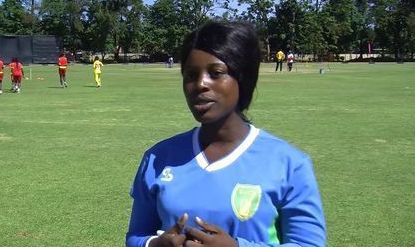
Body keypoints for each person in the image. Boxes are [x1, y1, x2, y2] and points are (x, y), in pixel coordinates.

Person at [126, 21, 326, 247]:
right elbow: (136, 237)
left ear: (243, 78)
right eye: (190, 75)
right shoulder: (158, 158)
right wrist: (156, 244)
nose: (200, 84)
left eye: (216, 73)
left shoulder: (289, 164)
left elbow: (308, 243)